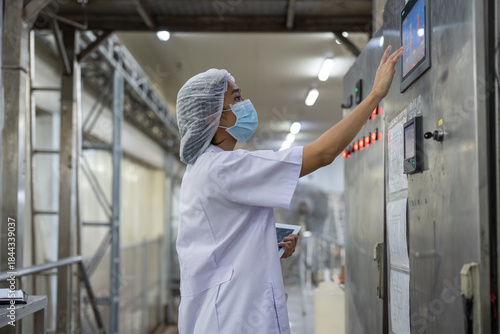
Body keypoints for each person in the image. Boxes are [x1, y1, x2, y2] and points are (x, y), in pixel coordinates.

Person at [175, 45, 404, 334]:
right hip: (232, 318)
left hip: (225, 314)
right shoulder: (222, 168)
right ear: (217, 118)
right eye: (237, 98)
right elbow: (322, 154)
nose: (245, 103)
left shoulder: (202, 170)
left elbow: (220, 244)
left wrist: (267, 246)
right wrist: (375, 96)